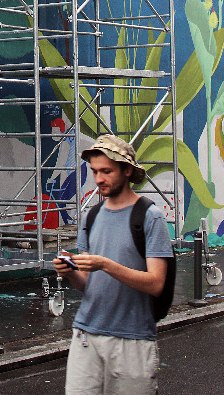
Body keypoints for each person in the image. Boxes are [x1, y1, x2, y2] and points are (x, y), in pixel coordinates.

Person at [54, 134, 173, 395]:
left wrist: (106, 265)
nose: (98, 179)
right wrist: (70, 272)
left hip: (133, 340)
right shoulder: (91, 216)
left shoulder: (150, 217)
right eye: (95, 171)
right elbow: (88, 284)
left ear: (127, 170)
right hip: (86, 337)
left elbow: (156, 283)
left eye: (106, 171)